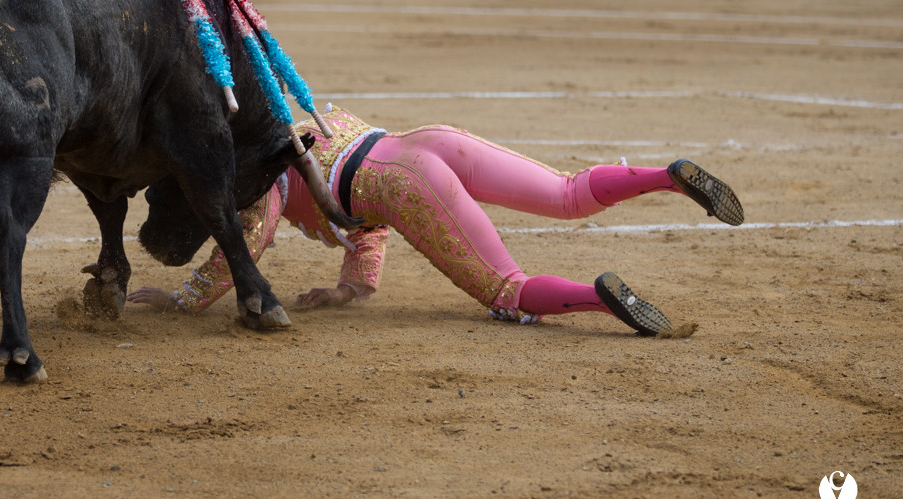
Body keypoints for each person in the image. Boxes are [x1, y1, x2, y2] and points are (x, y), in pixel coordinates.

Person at [127, 106, 744, 336]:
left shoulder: (256, 175)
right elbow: (357, 221)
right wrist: (353, 284)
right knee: (566, 192)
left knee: (506, 290)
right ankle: (666, 175)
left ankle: (601, 300)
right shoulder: (293, 111)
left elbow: (250, 241)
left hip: (404, 184)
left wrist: (184, 300)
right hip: (427, 142)